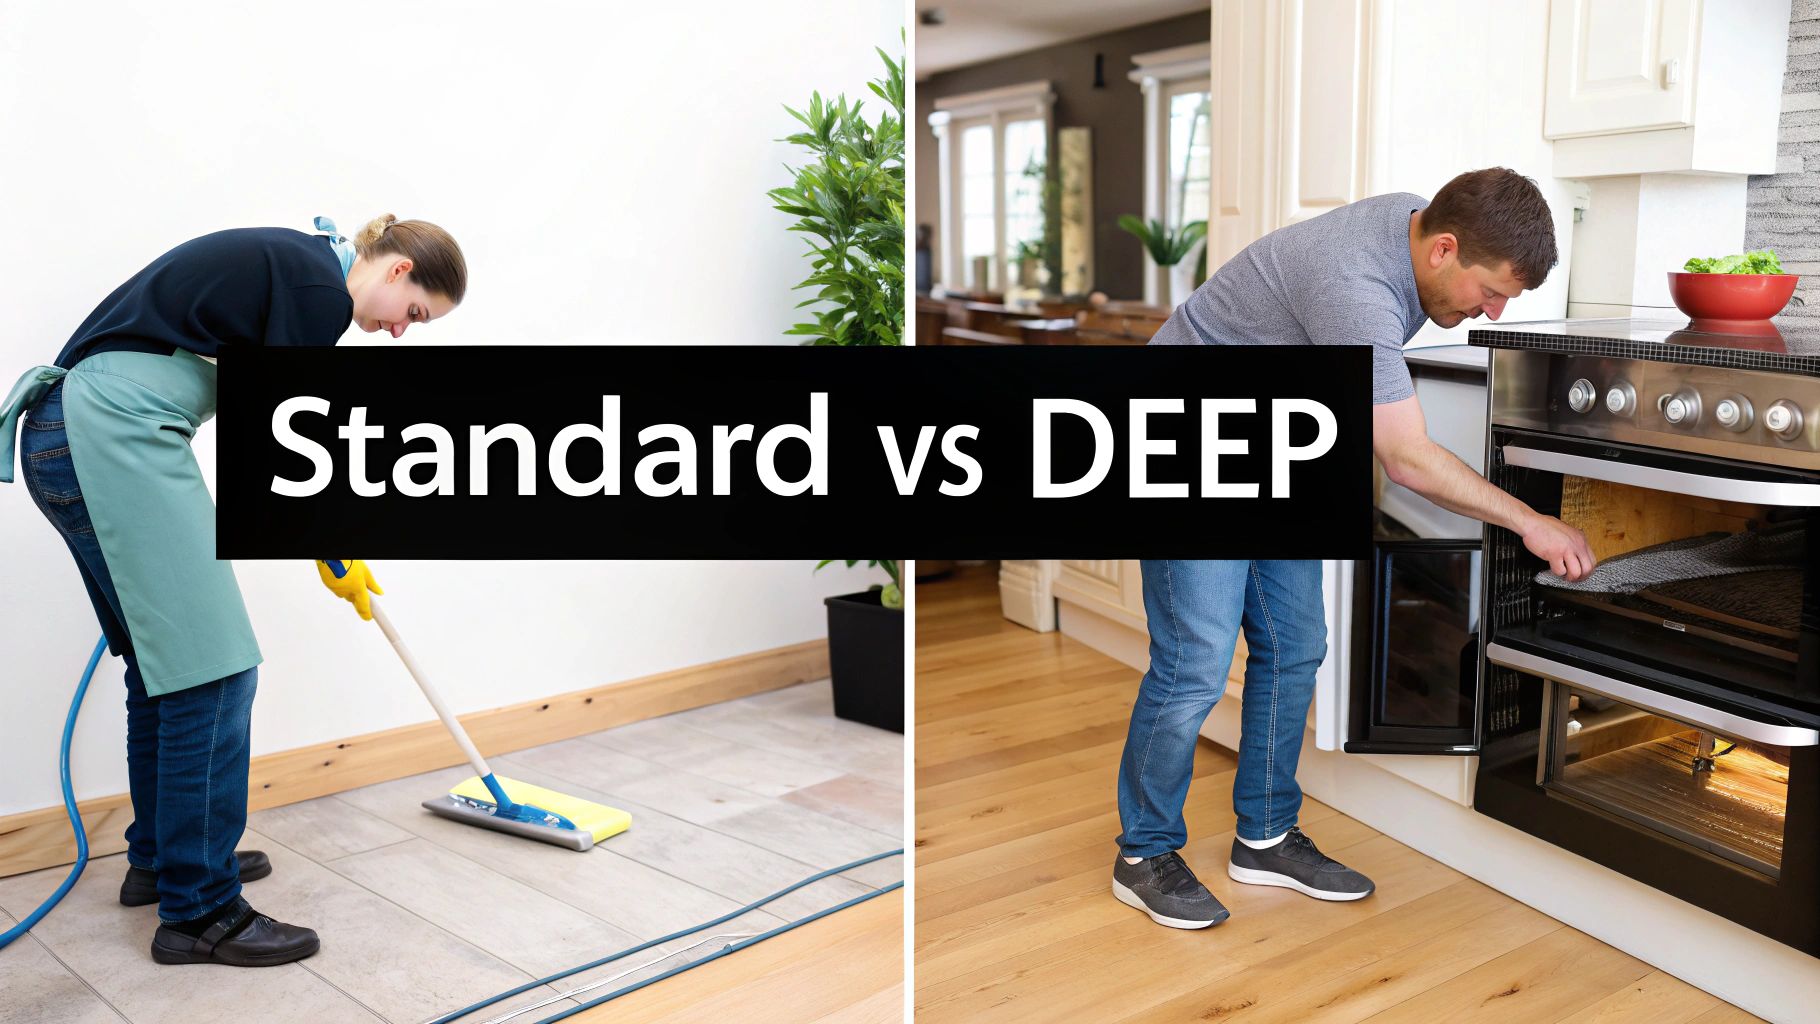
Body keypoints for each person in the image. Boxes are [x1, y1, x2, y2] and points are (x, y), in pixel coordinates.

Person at [1110, 168, 1597, 930]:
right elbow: (1406, 459)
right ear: (1443, 249)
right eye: (1491, 291)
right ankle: (1143, 853)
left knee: (1295, 644)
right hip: (1183, 439)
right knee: (1195, 660)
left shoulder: (1416, 228)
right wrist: (1529, 520)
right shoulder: (1355, 284)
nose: (1492, 312)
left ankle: (1265, 837)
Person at [0, 214, 465, 965]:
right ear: (398, 268)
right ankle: (201, 911)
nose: (400, 331)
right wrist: (332, 549)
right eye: (412, 313)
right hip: (107, 432)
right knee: (214, 671)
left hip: (74, 432)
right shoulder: (318, 288)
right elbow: (283, 444)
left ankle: (166, 858)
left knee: (165, 670)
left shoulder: (298, 266)